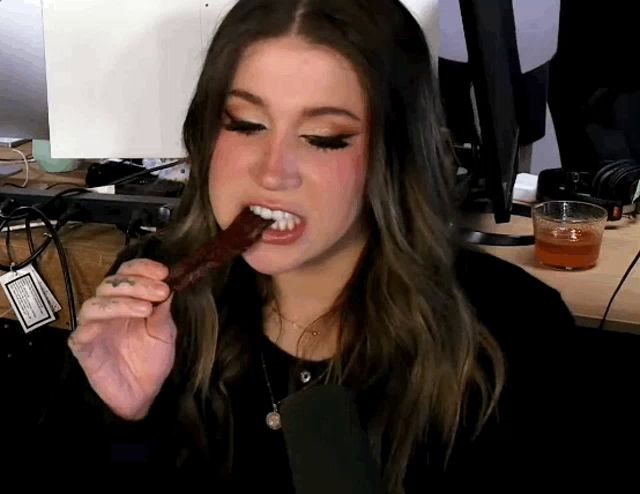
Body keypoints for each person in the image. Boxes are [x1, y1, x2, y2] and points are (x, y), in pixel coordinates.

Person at [27, 0, 597, 491]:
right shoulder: (152, 301)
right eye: (246, 125)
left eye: (325, 139)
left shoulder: (515, 332)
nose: (273, 172)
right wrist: (126, 421)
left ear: (391, 156)